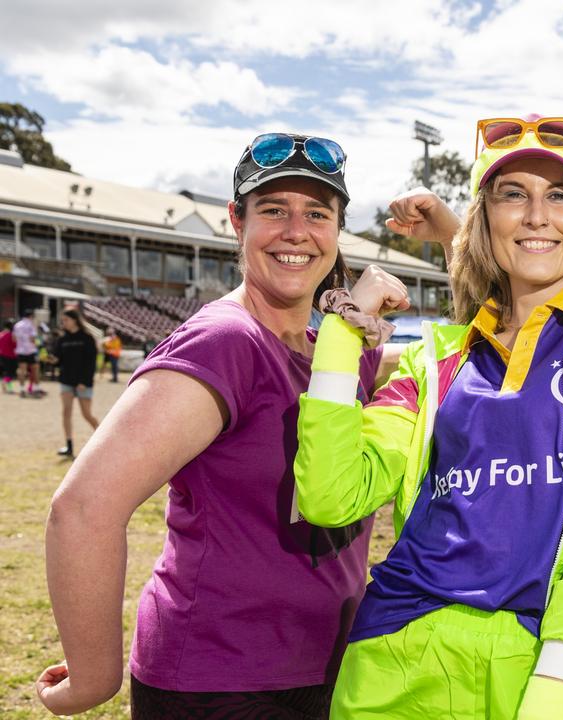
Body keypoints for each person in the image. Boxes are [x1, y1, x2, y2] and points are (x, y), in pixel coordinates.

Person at [294, 114, 563, 719]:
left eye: (559, 195)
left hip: (547, 670)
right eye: (514, 195)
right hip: (393, 666)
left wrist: (556, 691)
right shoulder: (437, 358)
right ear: (485, 220)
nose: (537, 215)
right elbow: (330, 496)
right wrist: (343, 334)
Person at [37, 132, 397, 718]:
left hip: (331, 666)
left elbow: (491, 338)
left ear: (338, 231)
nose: (296, 232)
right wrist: (92, 677)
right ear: (236, 220)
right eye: (273, 211)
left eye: (317, 213)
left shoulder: (335, 348)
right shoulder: (225, 342)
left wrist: (448, 230)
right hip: (221, 681)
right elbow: (82, 509)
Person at [49, 308, 101, 457]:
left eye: (66, 320)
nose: (63, 323)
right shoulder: (62, 339)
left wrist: (84, 381)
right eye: (62, 320)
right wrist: (53, 360)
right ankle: (69, 446)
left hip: (83, 382)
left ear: (75, 320)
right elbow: (59, 360)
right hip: (66, 381)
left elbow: (91, 362)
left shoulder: (87, 337)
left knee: (86, 414)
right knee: (66, 412)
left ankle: (105, 440)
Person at [14, 307, 42, 397]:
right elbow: (32, 338)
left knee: (22, 371)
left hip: (20, 350)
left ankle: (22, 390)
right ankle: (36, 389)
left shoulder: (17, 325)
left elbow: (14, 339)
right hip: (31, 350)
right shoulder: (31, 325)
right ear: (31, 316)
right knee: (35, 370)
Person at [0, 319, 17, 393]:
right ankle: (5, 383)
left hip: (2, 355)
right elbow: (15, 345)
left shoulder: (1, 334)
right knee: (11, 373)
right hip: (11, 355)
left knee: (7, 372)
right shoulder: (12, 334)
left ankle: (9, 388)